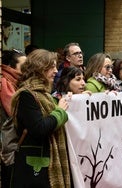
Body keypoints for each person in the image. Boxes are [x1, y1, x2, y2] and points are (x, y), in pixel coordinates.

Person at [10, 49, 71, 187]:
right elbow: (39, 128)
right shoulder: (26, 95)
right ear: (38, 68)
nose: (56, 71)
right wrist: (60, 111)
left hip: (43, 163)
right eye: (51, 67)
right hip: (35, 167)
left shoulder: (45, 95)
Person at [0, 50, 26, 188]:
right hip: (8, 151)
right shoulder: (4, 84)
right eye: (24, 67)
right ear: (11, 67)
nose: (27, 71)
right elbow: (16, 114)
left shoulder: (15, 83)